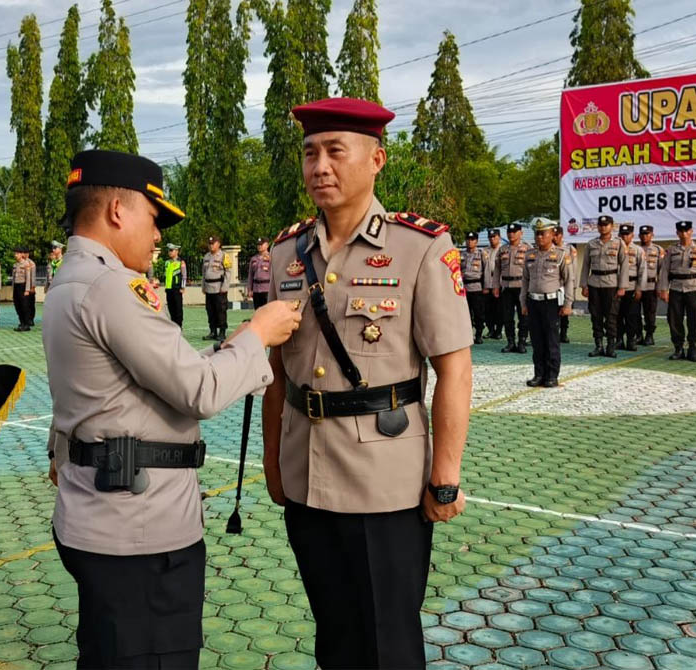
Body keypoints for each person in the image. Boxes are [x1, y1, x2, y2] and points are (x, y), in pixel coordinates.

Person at [43, 149, 300, 669]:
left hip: (104, 516)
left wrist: (230, 349)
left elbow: (157, 373)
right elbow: (198, 392)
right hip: (138, 530)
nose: (158, 236)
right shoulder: (111, 287)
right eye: (153, 218)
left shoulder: (72, 278)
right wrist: (257, 336)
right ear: (118, 210)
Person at [262, 97, 472, 670]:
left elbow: (454, 369)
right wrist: (273, 462)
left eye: (335, 151)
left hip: (386, 479)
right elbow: (278, 375)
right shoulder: (287, 252)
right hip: (307, 471)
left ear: (376, 159)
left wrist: (445, 477)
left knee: (387, 643)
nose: (319, 167)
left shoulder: (420, 247)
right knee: (334, 633)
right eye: (309, 154)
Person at [521, 219, 574, 388]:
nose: (539, 237)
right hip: (533, 302)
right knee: (537, 340)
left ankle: (552, 375)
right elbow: (524, 282)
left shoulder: (560, 255)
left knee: (551, 340)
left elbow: (569, 281)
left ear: (552, 234)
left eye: (543, 233)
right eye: (537, 233)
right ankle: (539, 374)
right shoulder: (530, 255)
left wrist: (568, 304)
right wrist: (523, 303)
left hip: (551, 302)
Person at [657, 220, 696, 362]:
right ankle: (678, 348)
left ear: (691, 232)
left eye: (687, 231)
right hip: (676, 288)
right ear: (677, 233)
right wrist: (663, 289)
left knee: (695, 319)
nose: (684, 234)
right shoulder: (672, 250)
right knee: (674, 319)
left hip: (694, 287)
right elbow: (664, 271)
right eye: (681, 231)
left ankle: (693, 348)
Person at [580, 214, 627, 358]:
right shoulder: (591, 244)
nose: (603, 227)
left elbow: (624, 265)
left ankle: (611, 346)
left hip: (611, 283)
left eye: (606, 225)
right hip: (594, 283)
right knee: (596, 316)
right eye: (600, 225)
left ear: (612, 226)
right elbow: (586, 265)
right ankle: (598, 345)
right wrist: (584, 285)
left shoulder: (619, 243)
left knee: (611, 316)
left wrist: (622, 286)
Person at [492, 223, 530, 353]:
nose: (511, 234)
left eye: (514, 232)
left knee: (523, 316)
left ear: (521, 233)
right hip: (506, 287)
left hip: (521, 286)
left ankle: (522, 342)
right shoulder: (502, 249)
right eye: (509, 232)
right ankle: (510, 342)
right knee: (507, 317)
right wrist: (496, 286)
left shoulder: (527, 249)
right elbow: (497, 270)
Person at [614, 224, 646, 351]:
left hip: (632, 286)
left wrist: (639, 289)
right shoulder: (614, 249)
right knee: (616, 315)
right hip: (616, 287)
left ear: (632, 235)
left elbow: (642, 271)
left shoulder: (638, 250)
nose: (624, 237)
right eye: (622, 234)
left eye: (627, 234)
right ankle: (619, 339)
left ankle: (631, 340)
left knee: (631, 316)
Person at [637, 225, 664, 345]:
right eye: (642, 234)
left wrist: (660, 288)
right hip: (636, 286)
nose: (644, 236)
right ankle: (638, 335)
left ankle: (649, 335)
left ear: (652, 235)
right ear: (639, 236)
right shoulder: (634, 249)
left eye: (647, 234)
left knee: (650, 312)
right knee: (634, 311)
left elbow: (662, 270)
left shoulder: (658, 250)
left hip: (651, 285)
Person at [201, 235, 231, 339]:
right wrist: (203, 286)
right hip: (209, 288)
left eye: (213, 243)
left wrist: (225, 287)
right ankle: (213, 331)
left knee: (221, 310)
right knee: (210, 310)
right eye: (209, 244)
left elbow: (228, 272)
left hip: (219, 288)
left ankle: (222, 332)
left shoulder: (224, 256)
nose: (211, 245)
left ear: (218, 244)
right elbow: (204, 273)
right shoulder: (206, 256)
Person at [461, 230, 488, 343]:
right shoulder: (460, 254)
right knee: (464, 313)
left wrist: (487, 286)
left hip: (477, 287)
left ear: (476, 241)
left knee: (478, 313)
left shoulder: (481, 254)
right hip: (463, 288)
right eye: (468, 239)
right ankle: (466, 335)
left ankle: (479, 334)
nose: (470, 242)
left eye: (472, 240)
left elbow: (486, 271)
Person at [552, 225, 577, 343]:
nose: (554, 237)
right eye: (553, 235)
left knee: (564, 310)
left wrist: (573, 287)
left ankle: (563, 333)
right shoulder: (549, 248)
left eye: (556, 235)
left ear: (561, 235)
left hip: (564, 284)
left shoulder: (569, 249)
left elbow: (574, 269)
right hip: (552, 285)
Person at [484, 228, 503, 338]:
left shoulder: (502, 249)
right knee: (488, 309)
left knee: (499, 309)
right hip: (488, 281)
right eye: (490, 237)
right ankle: (490, 329)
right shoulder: (485, 250)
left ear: (499, 237)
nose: (492, 239)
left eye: (494, 237)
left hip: (499, 283)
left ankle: (499, 331)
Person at [12, 247, 36, 331]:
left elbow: (28, 277)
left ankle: (26, 324)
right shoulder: (15, 265)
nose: (15, 255)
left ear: (21, 254)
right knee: (17, 305)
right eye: (15, 253)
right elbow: (13, 278)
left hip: (23, 286)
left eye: (17, 253)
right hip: (16, 287)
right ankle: (22, 322)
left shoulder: (26, 264)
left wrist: (27, 290)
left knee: (24, 306)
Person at [163, 242, 187, 327]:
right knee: (171, 310)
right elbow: (166, 275)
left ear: (177, 251)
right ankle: (173, 327)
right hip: (169, 289)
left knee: (178, 310)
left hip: (177, 289)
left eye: (171, 250)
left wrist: (183, 287)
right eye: (169, 250)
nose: (169, 252)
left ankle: (179, 327)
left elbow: (184, 276)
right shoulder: (167, 263)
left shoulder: (181, 262)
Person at [247, 237, 272, 309]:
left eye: (261, 244)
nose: (259, 246)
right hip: (256, 289)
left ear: (267, 245)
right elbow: (250, 276)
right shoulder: (254, 259)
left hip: (267, 289)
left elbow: (274, 275)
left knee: (267, 311)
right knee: (257, 312)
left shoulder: (271, 257)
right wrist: (249, 289)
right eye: (258, 244)